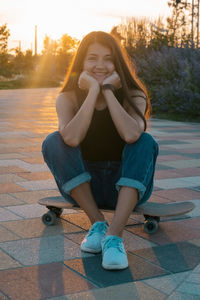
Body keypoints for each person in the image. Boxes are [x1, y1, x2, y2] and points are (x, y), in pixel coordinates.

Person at [42, 31, 159, 270]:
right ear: (82, 62)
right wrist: (92, 92)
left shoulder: (134, 95)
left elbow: (131, 135)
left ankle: (114, 238)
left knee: (146, 141)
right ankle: (97, 223)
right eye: (92, 58)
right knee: (54, 140)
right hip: (85, 190)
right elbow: (71, 139)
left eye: (108, 58)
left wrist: (107, 90)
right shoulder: (67, 98)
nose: (100, 65)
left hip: (127, 189)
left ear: (117, 63)